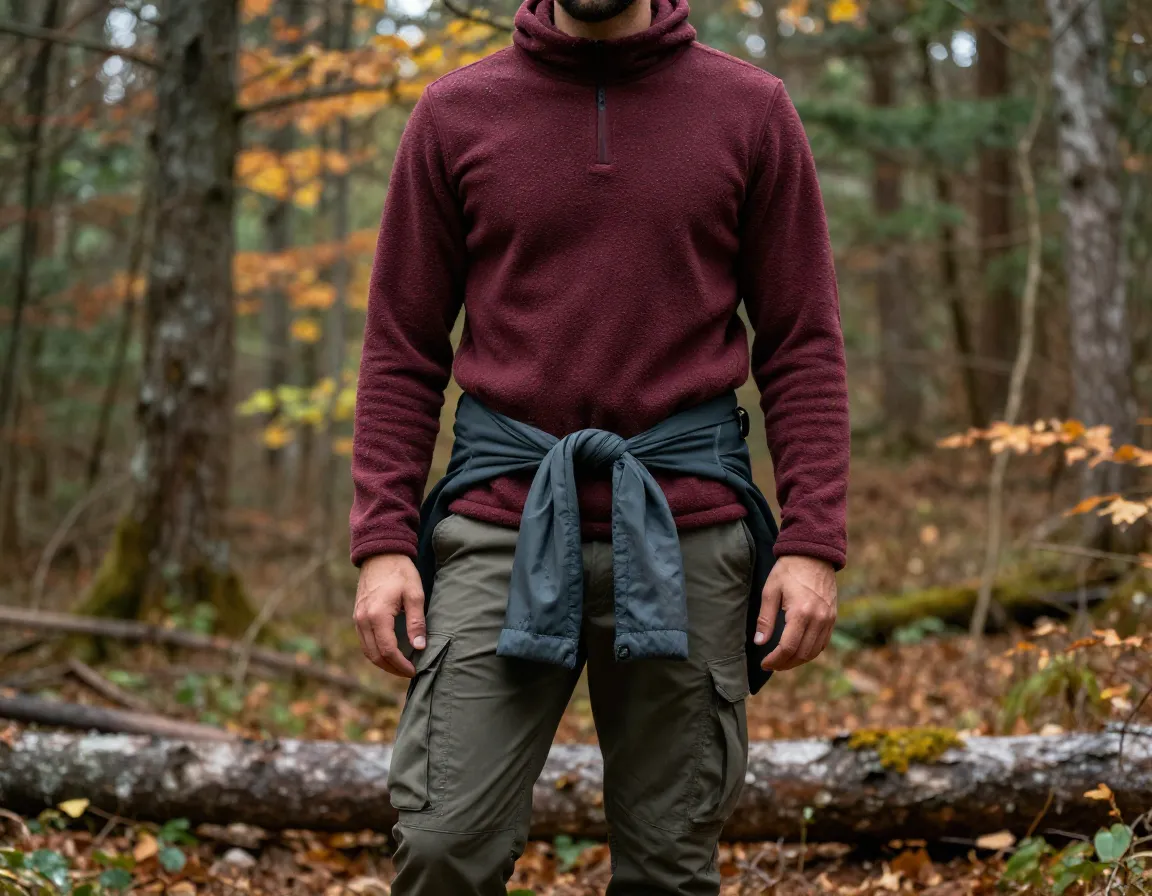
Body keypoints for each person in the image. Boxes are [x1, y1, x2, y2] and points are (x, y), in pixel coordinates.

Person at [349, 0, 849, 889]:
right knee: (441, 843)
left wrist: (812, 542)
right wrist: (384, 541)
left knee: (668, 861)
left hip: (688, 523)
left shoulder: (751, 109)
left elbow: (802, 340)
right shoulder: (454, 113)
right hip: (498, 521)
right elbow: (403, 343)